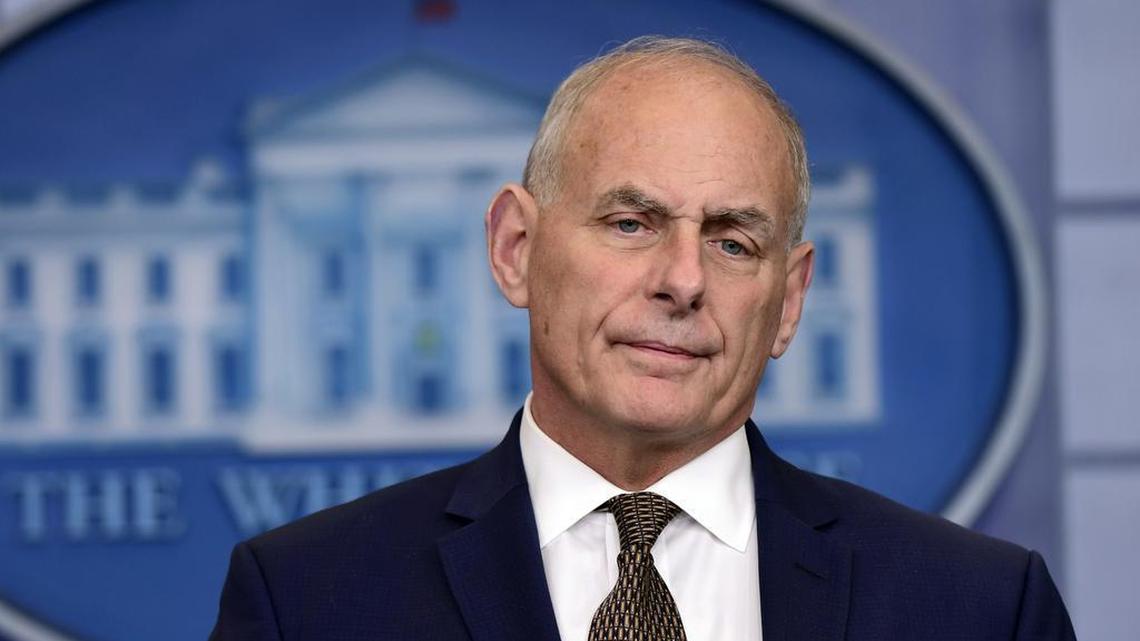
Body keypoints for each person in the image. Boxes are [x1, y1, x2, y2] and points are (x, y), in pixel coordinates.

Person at [209, 36, 1076, 641]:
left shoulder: (979, 609)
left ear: (788, 300)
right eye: (631, 222)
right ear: (517, 251)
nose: (684, 279)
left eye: (735, 241)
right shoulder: (311, 602)